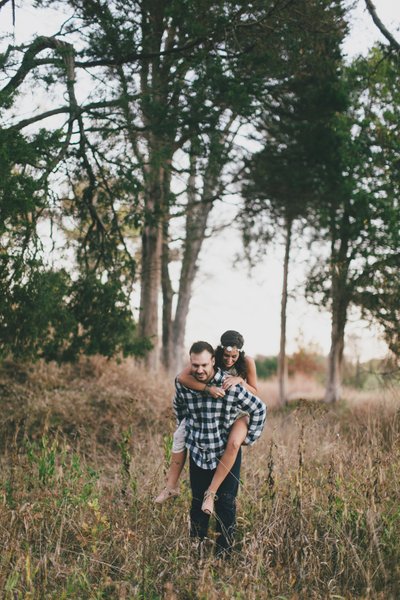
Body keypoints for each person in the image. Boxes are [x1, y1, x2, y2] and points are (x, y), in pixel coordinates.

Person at [171, 340, 266, 556]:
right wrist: (185, 426)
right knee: (197, 501)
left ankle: (224, 553)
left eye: (204, 365)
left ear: (213, 360)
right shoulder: (185, 383)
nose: (200, 369)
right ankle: (196, 550)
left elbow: (259, 407)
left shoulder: (230, 385)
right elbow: (178, 402)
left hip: (226, 450)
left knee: (226, 502)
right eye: (195, 365)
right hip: (199, 448)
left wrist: (248, 437)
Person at [155, 330, 258, 514]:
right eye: (226, 355)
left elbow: (255, 392)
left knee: (233, 443)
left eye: (233, 356)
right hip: (214, 410)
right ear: (219, 352)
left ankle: (212, 492)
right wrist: (208, 389)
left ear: (240, 353)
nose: (229, 360)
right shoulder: (211, 358)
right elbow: (182, 378)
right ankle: (171, 486)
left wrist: (239, 380)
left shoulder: (247, 361)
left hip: (239, 411)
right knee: (179, 434)